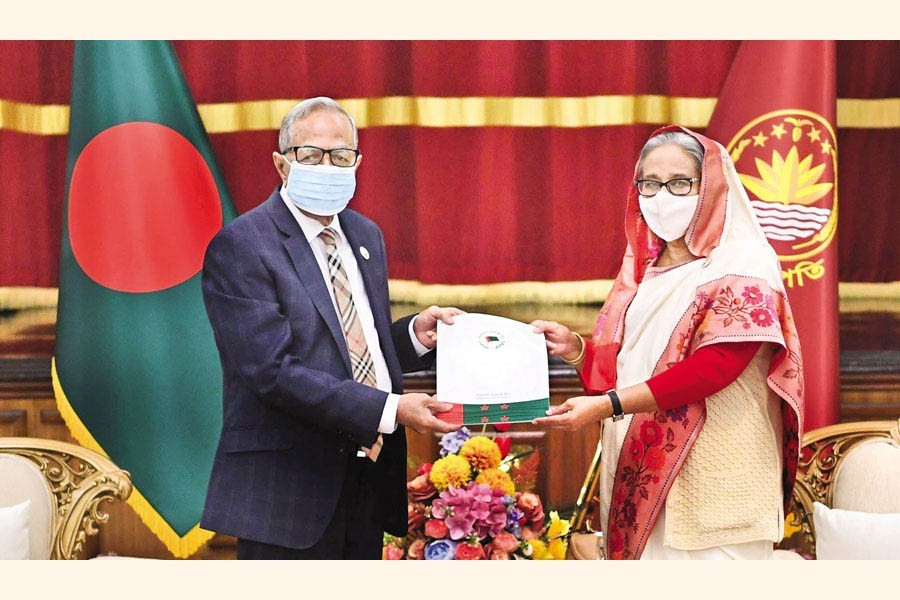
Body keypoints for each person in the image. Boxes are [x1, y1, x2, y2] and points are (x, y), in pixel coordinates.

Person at [200, 96, 461, 559]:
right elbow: (272, 371)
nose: (327, 167)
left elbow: (349, 347)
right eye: (311, 154)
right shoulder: (243, 245)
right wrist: (390, 408)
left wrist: (411, 338)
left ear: (357, 163)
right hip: (287, 495)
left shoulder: (364, 235)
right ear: (282, 164)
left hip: (365, 481)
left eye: (340, 156)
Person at [532, 126, 805, 560]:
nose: (662, 197)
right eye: (650, 183)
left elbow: (713, 368)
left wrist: (607, 405)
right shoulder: (644, 270)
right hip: (644, 469)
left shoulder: (743, 263)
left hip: (716, 478)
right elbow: (635, 362)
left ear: (711, 186)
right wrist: (577, 350)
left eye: (680, 183)